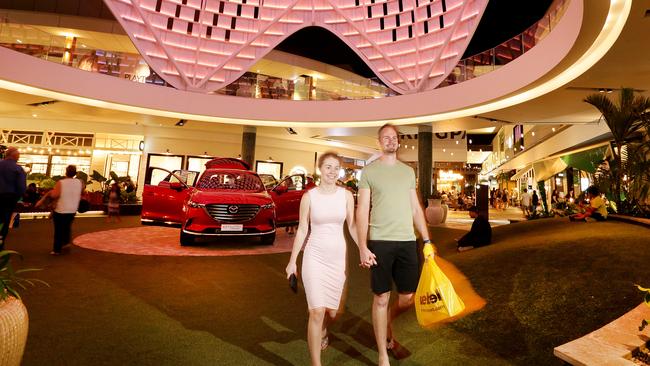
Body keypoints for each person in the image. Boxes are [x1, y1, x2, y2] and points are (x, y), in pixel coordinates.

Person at [356, 123, 435, 366]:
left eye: (394, 137)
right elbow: (362, 210)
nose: (390, 140)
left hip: (407, 242)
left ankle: (387, 321)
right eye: (385, 137)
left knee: (407, 299)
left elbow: (415, 208)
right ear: (379, 142)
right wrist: (362, 246)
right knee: (381, 297)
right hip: (380, 242)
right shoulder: (369, 172)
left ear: (398, 142)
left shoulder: (408, 171)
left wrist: (427, 240)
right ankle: (382, 354)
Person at [285, 152, 358, 366]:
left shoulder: (346, 196)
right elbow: (301, 230)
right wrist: (292, 261)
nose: (332, 171)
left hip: (337, 259)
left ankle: (325, 329)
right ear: (320, 169)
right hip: (314, 257)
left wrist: (364, 248)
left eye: (336, 168)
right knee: (316, 311)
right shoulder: (309, 197)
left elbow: (352, 226)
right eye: (328, 167)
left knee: (331, 312)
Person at [43, 165, 84, 255]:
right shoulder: (79, 182)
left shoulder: (61, 182)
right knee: (67, 226)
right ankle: (65, 243)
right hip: (72, 209)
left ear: (66, 172)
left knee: (58, 230)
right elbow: (81, 190)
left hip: (61, 209)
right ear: (75, 173)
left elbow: (54, 195)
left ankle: (56, 249)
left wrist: (49, 194)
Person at [0, 147, 26, 249]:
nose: (19, 157)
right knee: (4, 222)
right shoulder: (18, 169)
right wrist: (16, 198)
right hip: (8, 198)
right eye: (18, 155)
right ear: (13, 155)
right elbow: (21, 188)